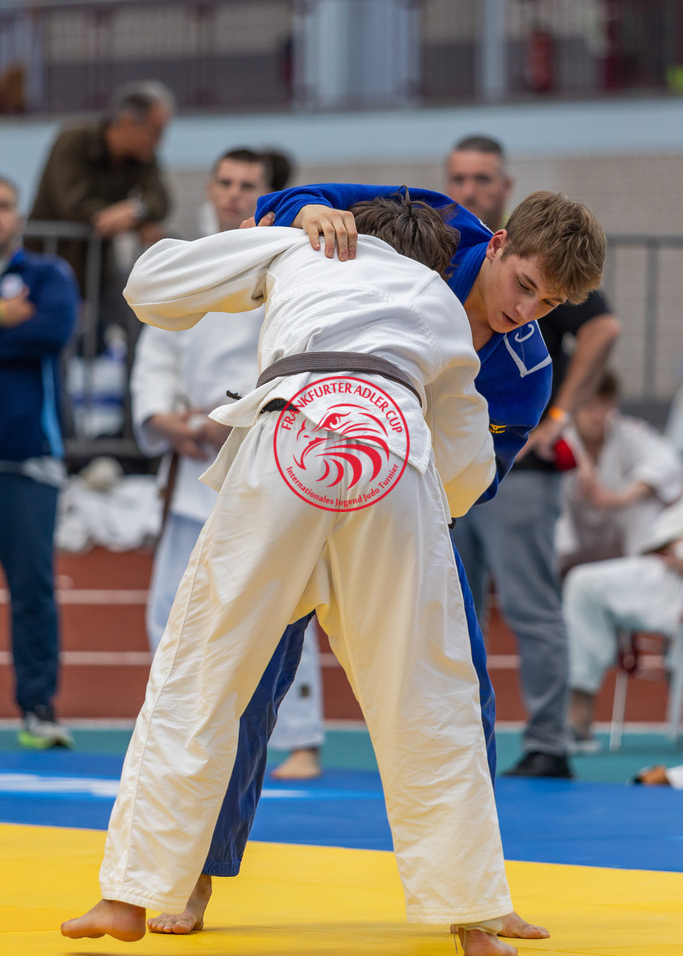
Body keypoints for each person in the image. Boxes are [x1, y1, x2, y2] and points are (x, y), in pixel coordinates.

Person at [91, 184, 604, 942]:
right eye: (524, 286)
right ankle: (191, 880)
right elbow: (299, 201)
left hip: (369, 481)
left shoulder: (524, 369)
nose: (527, 312)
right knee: (288, 676)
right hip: (359, 464)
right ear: (493, 244)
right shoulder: (432, 228)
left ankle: (475, 895)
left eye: (549, 305)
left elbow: (475, 475)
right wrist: (301, 212)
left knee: (441, 683)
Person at [131, 147, 324, 791]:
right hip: (190, 464)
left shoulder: (289, 263)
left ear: (268, 194)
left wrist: (222, 415)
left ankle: (298, 738)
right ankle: (178, 732)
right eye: (226, 182)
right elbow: (159, 341)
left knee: (278, 600)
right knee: (170, 608)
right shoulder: (192, 260)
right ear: (210, 189)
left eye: (249, 186)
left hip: (259, 451)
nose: (235, 194)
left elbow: (292, 355)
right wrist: (162, 417)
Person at [440, 135, 622, 778]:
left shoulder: (549, 253)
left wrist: (560, 415)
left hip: (517, 463)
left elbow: (603, 327)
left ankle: (549, 738)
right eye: (458, 176)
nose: (468, 189)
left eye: (482, 177)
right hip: (438, 472)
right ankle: (451, 745)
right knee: (449, 608)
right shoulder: (447, 256)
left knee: (527, 601)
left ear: (504, 187)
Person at [0, 176, 79, 747]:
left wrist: (25, 323)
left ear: (19, 214)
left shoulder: (49, 276)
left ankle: (37, 709)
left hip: (30, 462)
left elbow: (52, 330)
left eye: (3, 205)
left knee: (32, 590)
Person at [27, 80, 173, 320]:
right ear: (127, 122)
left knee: (135, 320)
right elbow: (73, 204)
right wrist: (133, 219)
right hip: (47, 262)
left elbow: (161, 201)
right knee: (57, 335)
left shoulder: (144, 155)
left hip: (98, 267)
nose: (159, 141)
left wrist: (135, 210)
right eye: (155, 131)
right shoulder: (74, 139)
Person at [565, 495, 683, 746]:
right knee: (584, 584)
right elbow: (670, 524)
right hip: (668, 573)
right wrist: (674, 544)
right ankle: (579, 718)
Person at [556, 371, 683, 577]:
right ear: (575, 405)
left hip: (617, 545)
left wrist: (621, 497)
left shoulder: (627, 432)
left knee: (645, 502)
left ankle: (641, 575)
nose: (597, 415)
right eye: (589, 405)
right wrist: (576, 460)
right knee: (548, 490)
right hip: (570, 547)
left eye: (603, 405)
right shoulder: (560, 438)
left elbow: (668, 462)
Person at [444, 135, 513, 231]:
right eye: (458, 180)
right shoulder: (428, 242)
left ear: (506, 186)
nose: (468, 193)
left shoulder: (527, 241)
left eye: (482, 180)